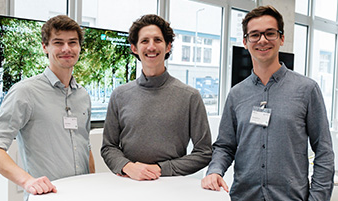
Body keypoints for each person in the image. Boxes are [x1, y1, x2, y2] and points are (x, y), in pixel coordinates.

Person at [201, 5, 335, 201]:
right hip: (244, 197)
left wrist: (317, 198)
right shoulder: (236, 94)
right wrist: (214, 170)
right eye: (254, 35)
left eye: (270, 33)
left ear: (281, 38)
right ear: (245, 42)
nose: (262, 40)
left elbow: (324, 152)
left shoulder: (307, 90)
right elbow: (225, 146)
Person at [0, 15, 95, 201]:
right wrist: (27, 182)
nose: (66, 48)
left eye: (72, 42)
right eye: (58, 42)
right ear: (45, 47)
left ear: (79, 47)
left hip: (82, 195)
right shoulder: (25, 92)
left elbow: (85, 147)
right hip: (47, 197)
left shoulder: (83, 95)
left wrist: (92, 184)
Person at [101, 14, 212, 181]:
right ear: (134, 48)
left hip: (172, 184)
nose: (151, 47)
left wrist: (161, 169)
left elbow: (204, 152)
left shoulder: (190, 96)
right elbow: (109, 147)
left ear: (168, 47)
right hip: (129, 182)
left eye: (157, 40)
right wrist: (128, 167)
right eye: (144, 41)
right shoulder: (119, 95)